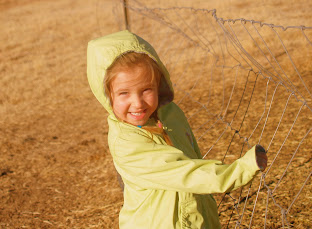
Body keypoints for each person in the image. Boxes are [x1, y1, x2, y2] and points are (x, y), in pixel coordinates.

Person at [87, 30, 268, 229]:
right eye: (124, 93)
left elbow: (193, 155)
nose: (137, 103)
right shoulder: (127, 145)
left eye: (146, 90)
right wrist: (242, 169)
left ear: (159, 84)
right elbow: (187, 173)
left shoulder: (170, 114)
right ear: (107, 95)